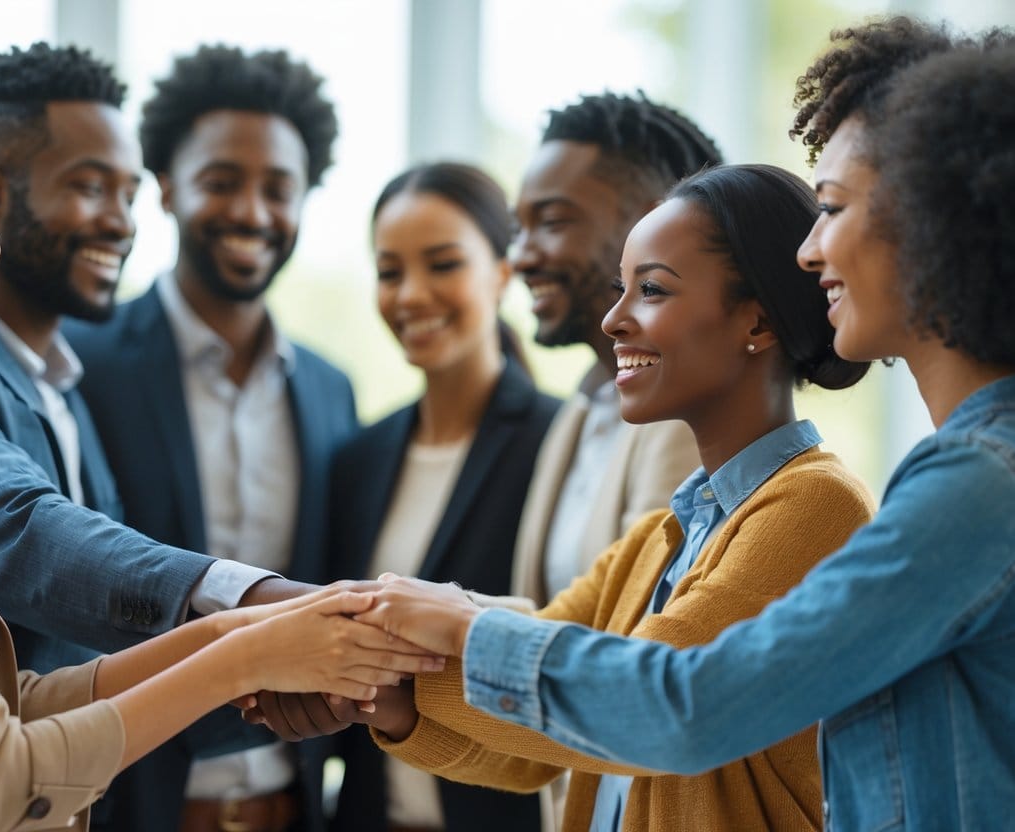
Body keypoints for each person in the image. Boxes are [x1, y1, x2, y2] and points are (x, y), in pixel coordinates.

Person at [359, 19, 1015, 831]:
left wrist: (464, 626)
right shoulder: (684, 519)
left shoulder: (971, 485)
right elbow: (561, 703)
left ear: (930, 220)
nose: (811, 253)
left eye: (834, 208)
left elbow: (686, 704)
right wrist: (382, 681)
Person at [0, 4, 440, 831]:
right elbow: (14, 536)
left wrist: (265, 647)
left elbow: (15, 699)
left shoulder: (65, 386)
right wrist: (247, 631)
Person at [0, 38, 323, 832]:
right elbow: (5, 525)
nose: (120, 223)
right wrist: (251, 603)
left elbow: (77, 669)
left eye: (125, 193)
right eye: (89, 188)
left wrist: (292, 681)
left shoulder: (65, 392)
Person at [356, 162, 873, 831]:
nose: (612, 320)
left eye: (650, 290)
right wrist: (387, 694)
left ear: (757, 320)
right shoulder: (662, 537)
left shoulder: (815, 506)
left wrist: (457, 623)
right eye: (618, 290)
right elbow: (536, 735)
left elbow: (647, 706)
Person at [63, 45, 355, 832]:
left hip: (291, 805)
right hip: (128, 803)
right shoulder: (81, 363)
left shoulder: (331, 392)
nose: (252, 213)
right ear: (164, 188)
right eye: (221, 181)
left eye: (278, 188)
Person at [326, 163, 560, 831]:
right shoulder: (357, 459)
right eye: (390, 271)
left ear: (502, 272)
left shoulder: (559, 440)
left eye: (442, 264)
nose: (411, 295)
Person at [509, 92, 717, 607]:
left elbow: (633, 628)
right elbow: (555, 615)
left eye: (552, 223)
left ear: (653, 228)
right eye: (519, 229)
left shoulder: (693, 418)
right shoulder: (579, 413)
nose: (521, 257)